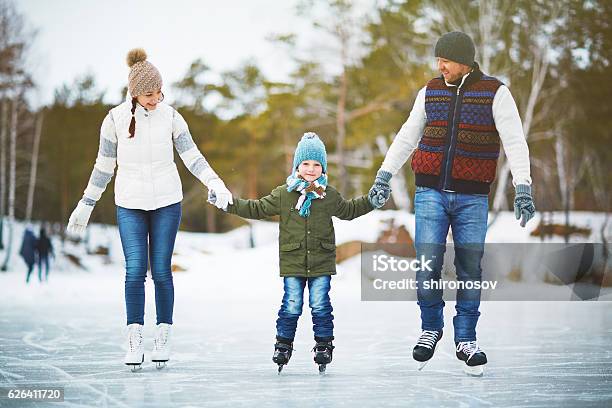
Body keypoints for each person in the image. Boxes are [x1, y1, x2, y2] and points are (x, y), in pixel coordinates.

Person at [369, 31, 536, 376]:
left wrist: (523, 187)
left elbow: (515, 142)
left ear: (464, 61)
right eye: (437, 61)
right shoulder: (429, 91)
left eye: (445, 60)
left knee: (470, 269)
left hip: (472, 196)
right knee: (427, 264)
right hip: (429, 192)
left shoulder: (495, 92)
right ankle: (431, 328)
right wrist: (384, 175)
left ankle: (466, 339)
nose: (439, 66)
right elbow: (407, 135)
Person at [66, 48, 233, 371]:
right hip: (129, 204)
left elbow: (192, 156)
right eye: (148, 94)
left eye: (159, 92)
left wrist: (216, 182)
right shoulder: (114, 119)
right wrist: (86, 202)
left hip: (167, 203)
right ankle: (134, 337)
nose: (155, 98)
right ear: (134, 93)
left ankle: (163, 335)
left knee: (160, 270)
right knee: (134, 271)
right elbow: (103, 166)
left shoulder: (170, 116)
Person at [210, 132, 376, 374]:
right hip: (293, 259)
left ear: (323, 168)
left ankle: (323, 345)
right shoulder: (283, 194)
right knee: (292, 304)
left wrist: (371, 200)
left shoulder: (328, 194)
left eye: (317, 164)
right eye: (306, 164)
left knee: (320, 304)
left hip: (321, 259)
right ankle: (283, 344)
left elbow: (349, 210)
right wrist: (228, 203)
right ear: (297, 166)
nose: (311, 169)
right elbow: (256, 208)